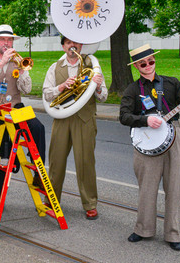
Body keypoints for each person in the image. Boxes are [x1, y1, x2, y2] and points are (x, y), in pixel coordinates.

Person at [119, 44, 180, 251]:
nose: (148, 66)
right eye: (143, 63)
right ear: (137, 66)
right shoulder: (132, 89)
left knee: (174, 188)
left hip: (174, 137)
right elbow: (124, 116)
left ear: (155, 61)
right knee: (147, 189)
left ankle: (173, 233)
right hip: (145, 143)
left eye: (151, 62)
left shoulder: (172, 83)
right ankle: (143, 229)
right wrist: (144, 121)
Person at [0, 24, 46, 217]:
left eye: (10, 40)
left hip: (14, 108)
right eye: (3, 40)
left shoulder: (18, 61)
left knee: (38, 128)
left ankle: (38, 173)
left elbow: (26, 89)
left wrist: (23, 71)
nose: (7, 43)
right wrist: (1, 64)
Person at [42, 36, 107, 220]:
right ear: (63, 46)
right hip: (62, 118)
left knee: (85, 162)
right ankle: (51, 199)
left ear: (81, 45)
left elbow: (103, 97)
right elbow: (47, 94)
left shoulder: (91, 64)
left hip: (84, 119)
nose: (73, 46)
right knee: (56, 161)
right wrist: (61, 87)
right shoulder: (55, 67)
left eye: (76, 43)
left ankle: (90, 203)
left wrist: (99, 85)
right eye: (69, 42)